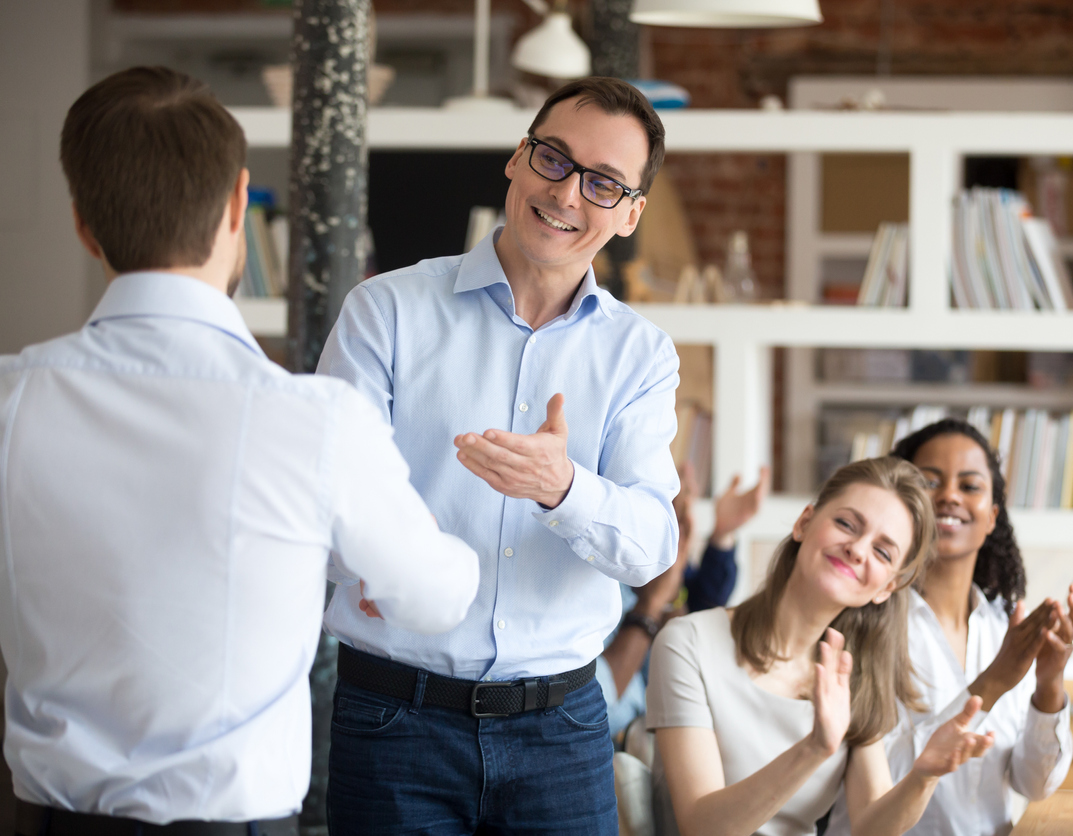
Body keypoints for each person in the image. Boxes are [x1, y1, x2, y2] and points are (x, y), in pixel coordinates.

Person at [0, 66, 479, 836]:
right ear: (236, 207)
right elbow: (438, 598)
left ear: (83, 224)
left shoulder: (10, 402)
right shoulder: (318, 422)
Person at [317, 76, 678, 835]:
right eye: (554, 159)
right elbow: (322, 499)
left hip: (563, 729)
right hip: (394, 717)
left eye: (604, 183)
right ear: (517, 160)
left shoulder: (641, 357)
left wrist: (567, 488)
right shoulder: (386, 312)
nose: (568, 193)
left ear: (631, 214)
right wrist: (368, 561)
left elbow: (651, 546)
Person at [646, 457, 996, 836]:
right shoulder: (689, 643)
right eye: (846, 524)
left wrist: (923, 777)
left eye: (882, 552)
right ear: (804, 523)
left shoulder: (852, 672)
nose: (858, 549)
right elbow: (701, 827)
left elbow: (870, 826)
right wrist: (814, 748)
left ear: (886, 588)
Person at [827, 419, 1073, 836]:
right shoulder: (862, 622)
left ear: (992, 516)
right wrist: (994, 681)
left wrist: (1048, 686)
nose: (948, 496)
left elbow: (1034, 784)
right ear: (902, 504)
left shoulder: (1004, 627)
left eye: (970, 486)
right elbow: (878, 786)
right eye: (930, 482)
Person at [598, 464, 770, 739]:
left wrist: (721, 536)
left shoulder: (654, 569)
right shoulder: (604, 575)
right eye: (674, 512)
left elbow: (700, 606)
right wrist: (653, 604)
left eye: (680, 514)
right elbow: (601, 702)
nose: (678, 527)